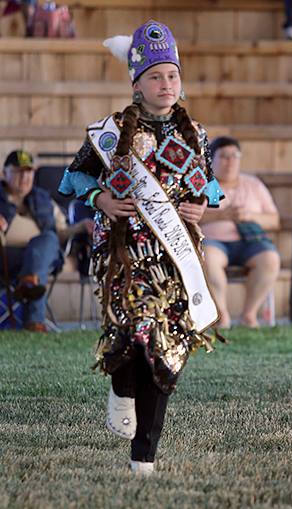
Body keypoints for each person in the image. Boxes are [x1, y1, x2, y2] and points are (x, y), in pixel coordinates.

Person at [58, 20, 225, 474]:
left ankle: (143, 461)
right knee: (132, 335)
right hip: (123, 255)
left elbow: (209, 187)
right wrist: (102, 199)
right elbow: (73, 179)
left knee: (166, 353)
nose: (166, 84)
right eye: (155, 76)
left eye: (171, 75)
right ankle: (120, 388)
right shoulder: (111, 132)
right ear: (137, 83)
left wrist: (200, 207)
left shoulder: (196, 132)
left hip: (176, 259)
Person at [0, 150, 89, 332]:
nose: (24, 177)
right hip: (5, 259)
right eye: (18, 171)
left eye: (29, 171)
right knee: (40, 257)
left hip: (41, 258)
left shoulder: (44, 200)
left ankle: (29, 283)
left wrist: (81, 226)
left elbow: (62, 232)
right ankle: (34, 318)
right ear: (5, 173)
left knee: (48, 239)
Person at [200, 137, 280, 328]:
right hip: (214, 241)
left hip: (250, 241)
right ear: (211, 160)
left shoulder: (253, 184)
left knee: (270, 259)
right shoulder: (204, 184)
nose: (230, 161)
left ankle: (249, 315)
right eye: (224, 156)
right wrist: (222, 215)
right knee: (208, 259)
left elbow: (274, 220)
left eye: (234, 156)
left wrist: (249, 216)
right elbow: (190, 219)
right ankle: (221, 315)